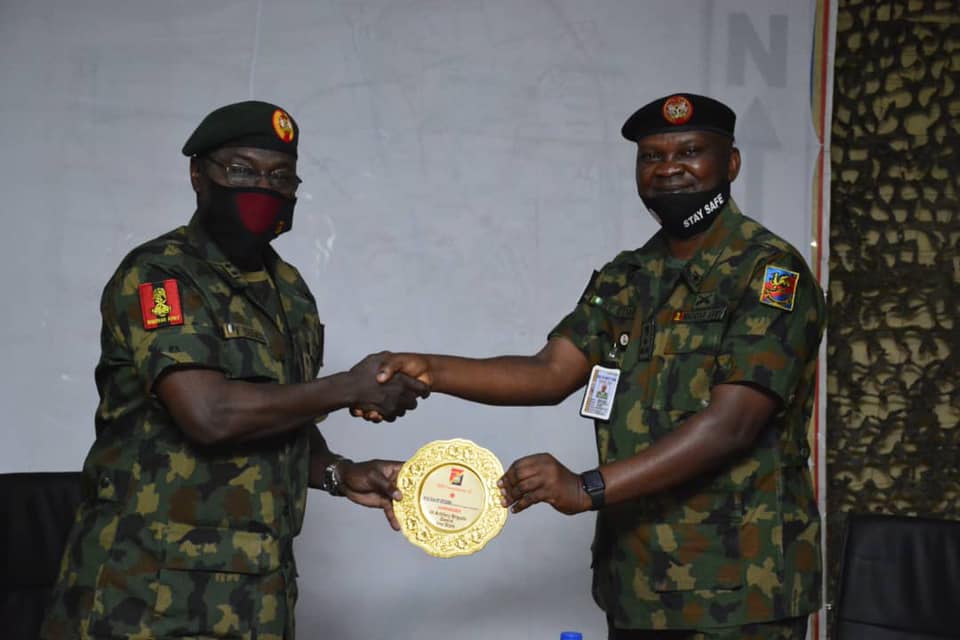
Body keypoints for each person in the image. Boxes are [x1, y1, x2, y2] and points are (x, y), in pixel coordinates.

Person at [365, 93, 824, 639]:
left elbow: (733, 424)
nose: (668, 168)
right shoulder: (627, 277)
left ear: (731, 163)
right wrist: (430, 370)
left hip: (738, 588)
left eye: (690, 151)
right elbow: (550, 371)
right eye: (651, 156)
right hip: (635, 582)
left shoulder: (769, 273)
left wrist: (587, 489)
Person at [40, 100, 429, 639]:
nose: (262, 188)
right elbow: (209, 414)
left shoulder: (288, 290)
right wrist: (348, 387)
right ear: (198, 175)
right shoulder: (160, 277)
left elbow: (277, 414)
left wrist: (341, 474)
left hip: (257, 595)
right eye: (241, 170)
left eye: (280, 177)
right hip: (146, 596)